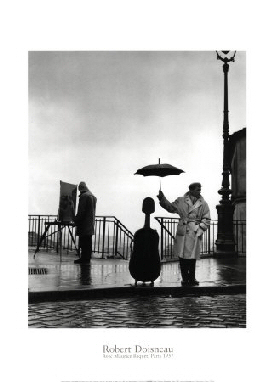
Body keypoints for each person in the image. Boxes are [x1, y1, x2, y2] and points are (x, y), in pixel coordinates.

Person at [157, 182, 210, 285]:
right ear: (191, 190)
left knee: (192, 256)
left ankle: (192, 278)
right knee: (182, 256)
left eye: (200, 189)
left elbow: (206, 218)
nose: (200, 191)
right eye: (198, 189)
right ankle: (185, 278)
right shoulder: (181, 201)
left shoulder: (203, 203)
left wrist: (199, 229)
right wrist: (162, 199)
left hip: (195, 232)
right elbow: (171, 208)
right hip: (183, 231)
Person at [73, 181, 97, 264]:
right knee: (88, 242)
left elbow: (81, 211)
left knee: (83, 242)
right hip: (90, 223)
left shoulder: (84, 196)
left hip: (84, 223)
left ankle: (83, 259)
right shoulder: (92, 196)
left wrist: (75, 220)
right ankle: (87, 258)